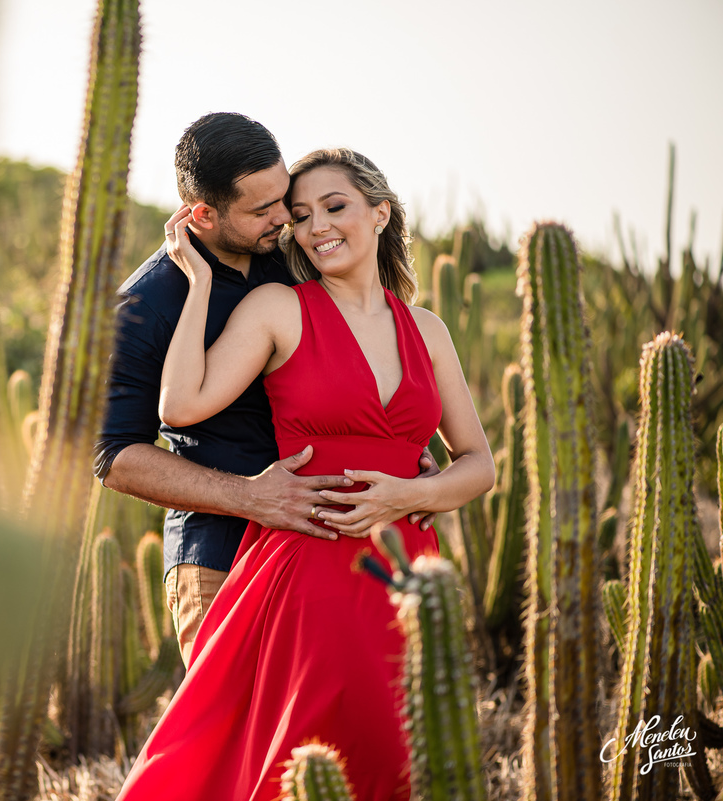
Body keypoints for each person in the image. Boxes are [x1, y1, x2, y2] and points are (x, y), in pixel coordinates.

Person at [115, 148, 495, 801]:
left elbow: (479, 463)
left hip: (406, 573)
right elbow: (177, 406)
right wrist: (198, 283)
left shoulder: (427, 330)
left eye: (335, 206)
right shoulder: (278, 307)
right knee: (301, 758)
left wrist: (412, 493)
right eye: (300, 215)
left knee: (401, 757)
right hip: (309, 563)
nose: (316, 225)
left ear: (381, 212)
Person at [92, 113, 438, 666]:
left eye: (284, 200)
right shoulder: (146, 304)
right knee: (241, 742)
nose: (284, 218)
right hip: (219, 557)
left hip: (329, 547)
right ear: (203, 214)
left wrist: (401, 447)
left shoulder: (296, 257)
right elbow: (114, 456)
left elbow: (365, 344)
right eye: (262, 210)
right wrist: (250, 497)